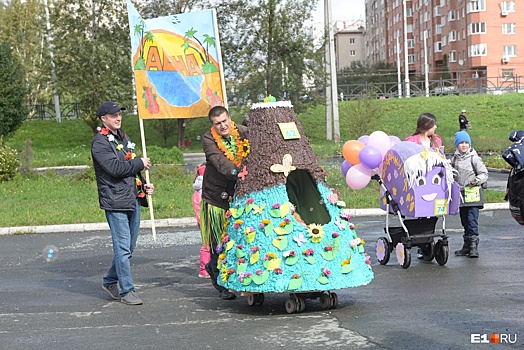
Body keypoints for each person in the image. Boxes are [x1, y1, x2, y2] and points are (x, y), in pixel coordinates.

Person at [91, 101, 154, 305]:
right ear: (104, 119)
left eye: (119, 114)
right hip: (115, 201)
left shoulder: (123, 137)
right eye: (113, 115)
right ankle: (127, 291)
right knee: (123, 248)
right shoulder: (100, 143)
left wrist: (143, 185)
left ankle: (110, 280)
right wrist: (140, 162)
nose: (118, 118)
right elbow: (116, 168)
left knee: (129, 246)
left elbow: (131, 168)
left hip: (132, 198)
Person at [201, 105, 248, 300]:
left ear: (230, 119)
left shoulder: (245, 132)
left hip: (240, 194)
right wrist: (239, 173)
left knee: (239, 238)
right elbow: (220, 162)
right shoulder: (208, 139)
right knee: (218, 241)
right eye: (217, 123)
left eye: (224, 121)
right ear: (213, 125)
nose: (222, 126)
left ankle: (239, 277)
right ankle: (218, 279)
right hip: (216, 197)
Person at [405, 112, 444, 259]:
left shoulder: (436, 140)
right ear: (427, 126)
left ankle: (427, 241)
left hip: (432, 179)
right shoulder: (411, 141)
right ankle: (422, 241)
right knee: (421, 209)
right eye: (433, 124)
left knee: (432, 210)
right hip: (419, 179)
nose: (436, 127)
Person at [451, 131, 488, 258]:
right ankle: (466, 245)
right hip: (461, 195)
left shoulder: (474, 158)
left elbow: (484, 174)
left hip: (473, 195)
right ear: (457, 145)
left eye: (466, 142)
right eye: (461, 143)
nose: (464, 145)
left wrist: (476, 181)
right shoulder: (454, 159)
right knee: (464, 220)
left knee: (472, 220)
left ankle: (473, 246)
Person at [192, 163, 210, 278]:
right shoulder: (203, 192)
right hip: (206, 220)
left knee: (207, 244)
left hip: (202, 220)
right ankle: (204, 269)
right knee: (207, 245)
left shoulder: (197, 192)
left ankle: (205, 268)